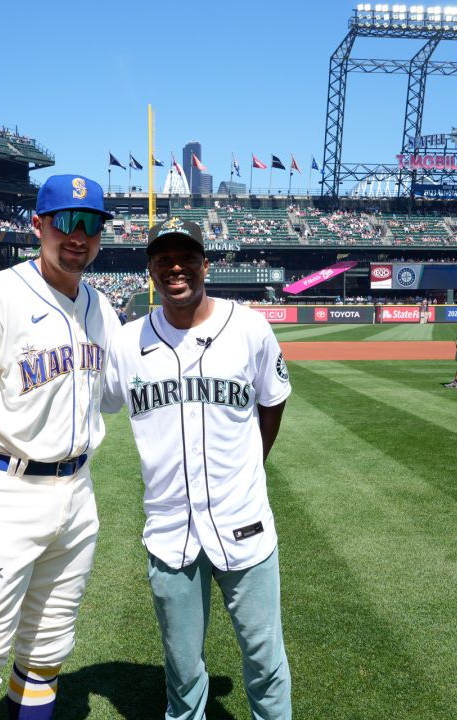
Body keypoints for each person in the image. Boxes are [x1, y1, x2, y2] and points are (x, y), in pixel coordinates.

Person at [0, 174, 119, 720]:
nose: (78, 236)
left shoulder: (101, 308)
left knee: (46, 654)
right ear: (39, 225)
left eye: (91, 225)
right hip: (2, 496)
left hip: (78, 496)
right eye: (67, 222)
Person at [102, 218, 293, 720]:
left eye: (186, 256)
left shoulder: (249, 327)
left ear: (206, 263)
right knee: (182, 669)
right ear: (151, 270)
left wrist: (253, 463)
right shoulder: (126, 343)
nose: (176, 267)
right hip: (169, 529)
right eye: (164, 259)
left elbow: (272, 403)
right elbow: (89, 401)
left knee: (264, 660)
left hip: (244, 520)